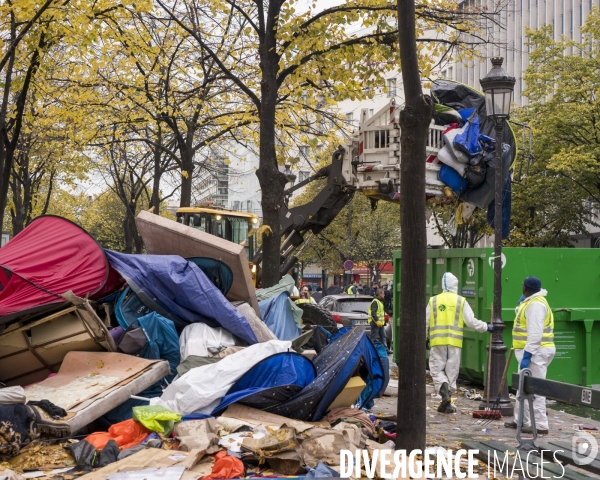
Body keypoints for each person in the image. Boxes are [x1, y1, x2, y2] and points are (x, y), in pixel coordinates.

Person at [426, 272, 493, 413]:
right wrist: (486, 327)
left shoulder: (433, 301)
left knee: (436, 369)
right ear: (455, 285)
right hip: (455, 343)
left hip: (437, 342)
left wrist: (424, 338)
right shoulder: (460, 301)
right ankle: (448, 400)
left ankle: (444, 393)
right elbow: (471, 321)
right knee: (452, 372)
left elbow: (424, 322)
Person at [505, 276, 555, 434]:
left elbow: (535, 334)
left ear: (525, 288)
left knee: (536, 389)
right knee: (523, 387)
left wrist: (527, 355)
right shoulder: (532, 302)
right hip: (535, 351)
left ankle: (540, 425)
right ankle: (520, 419)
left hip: (536, 353)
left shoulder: (536, 305)